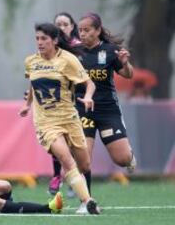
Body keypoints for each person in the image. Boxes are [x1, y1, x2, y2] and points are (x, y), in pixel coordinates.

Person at [19, 23, 100, 214]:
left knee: (85, 164)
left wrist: (88, 97)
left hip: (70, 118)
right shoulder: (31, 61)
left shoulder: (68, 60)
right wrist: (27, 104)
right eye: (37, 38)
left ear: (54, 40)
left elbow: (90, 84)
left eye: (44, 38)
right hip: (46, 123)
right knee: (65, 159)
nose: (39, 42)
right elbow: (33, 83)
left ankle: (83, 198)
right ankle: (87, 202)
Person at [75, 12, 137, 190]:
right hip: (83, 109)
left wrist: (125, 64)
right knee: (83, 159)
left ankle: (129, 157)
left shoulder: (110, 50)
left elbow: (128, 74)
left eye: (86, 30)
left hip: (107, 110)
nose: (82, 33)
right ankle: (86, 201)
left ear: (97, 30)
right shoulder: (74, 53)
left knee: (122, 159)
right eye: (80, 30)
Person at [48, 12, 82, 197]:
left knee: (74, 142)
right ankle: (56, 175)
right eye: (58, 24)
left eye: (64, 24)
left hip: (79, 101)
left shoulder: (79, 48)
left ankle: (73, 177)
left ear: (72, 26)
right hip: (56, 102)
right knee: (55, 138)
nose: (61, 27)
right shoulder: (48, 48)